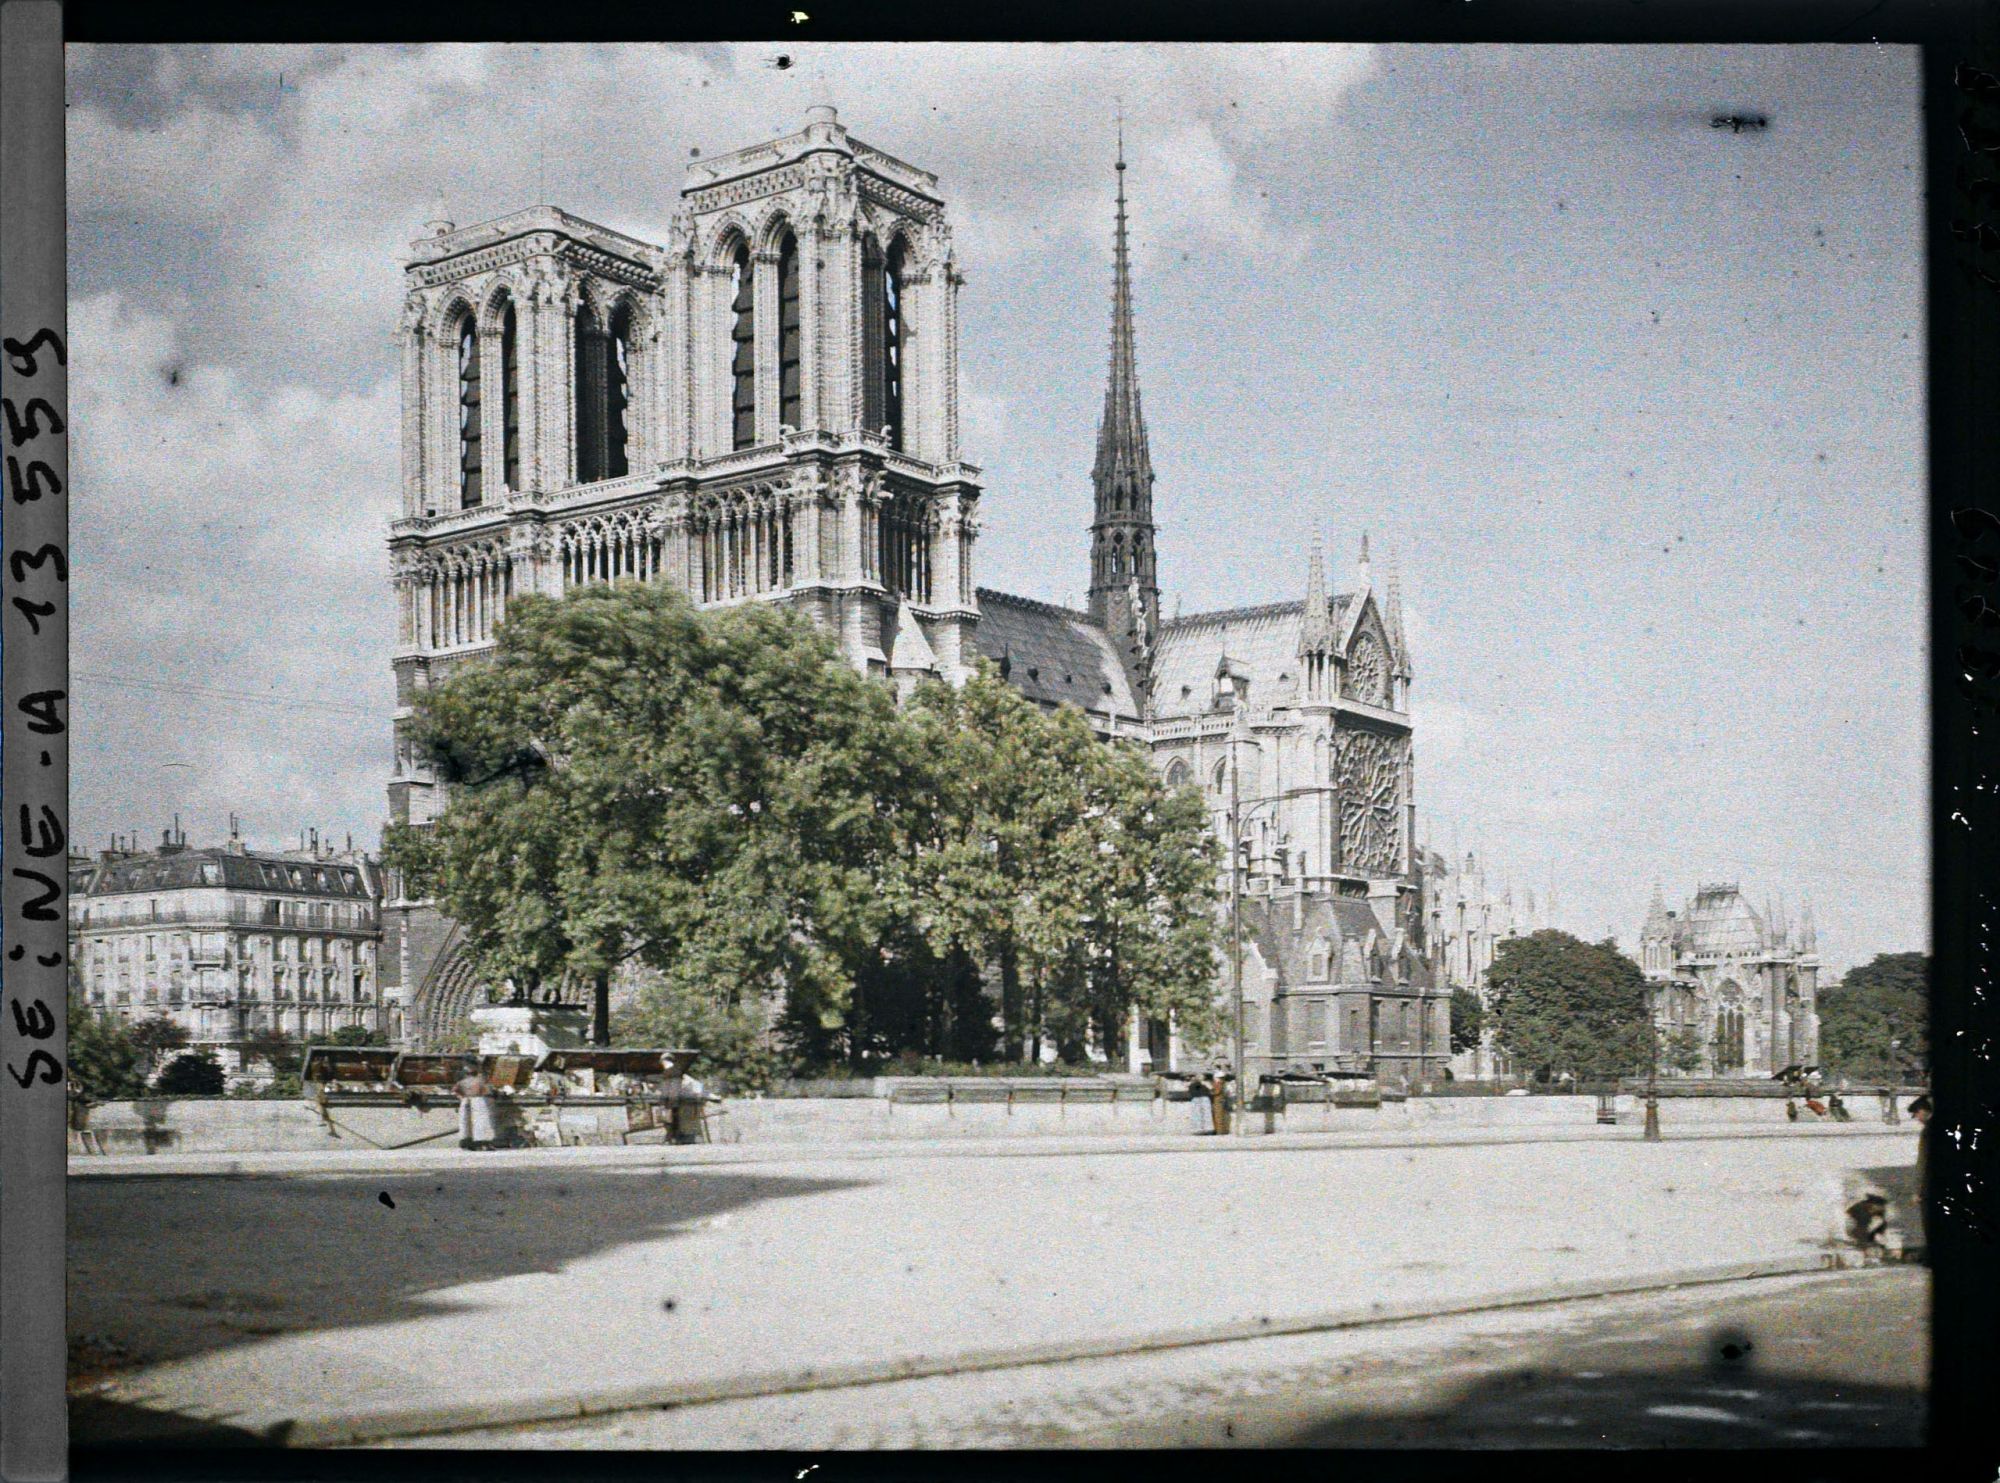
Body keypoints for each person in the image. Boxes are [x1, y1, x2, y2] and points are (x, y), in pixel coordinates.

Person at [454, 1058, 497, 1151]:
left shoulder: (462, 1080)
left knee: (466, 1122)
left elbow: (456, 1090)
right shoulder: (480, 1080)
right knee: (481, 1121)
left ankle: (466, 1141)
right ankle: (482, 1142)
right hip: (479, 1100)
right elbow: (487, 1091)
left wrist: (461, 1097)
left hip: (466, 1099)